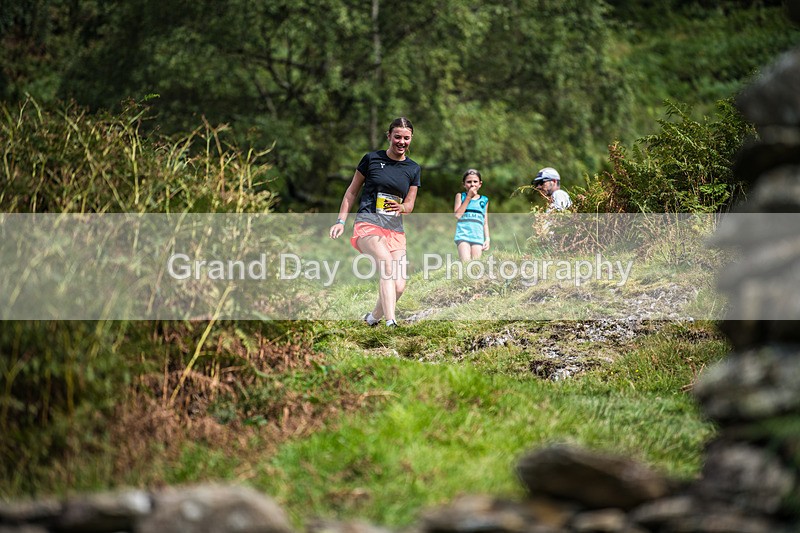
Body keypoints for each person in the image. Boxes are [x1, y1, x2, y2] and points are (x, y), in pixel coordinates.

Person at [329, 117, 421, 328]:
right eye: (397, 137)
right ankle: (391, 322)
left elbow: (410, 204)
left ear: (411, 139)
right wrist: (340, 221)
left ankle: (372, 319)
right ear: (389, 136)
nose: (401, 142)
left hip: (395, 230)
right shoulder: (371, 159)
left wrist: (402, 208)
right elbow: (351, 193)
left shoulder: (413, 168)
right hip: (368, 223)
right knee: (386, 265)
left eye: (406, 138)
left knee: (399, 286)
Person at [453, 168, 490, 261]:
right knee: (466, 263)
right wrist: (468, 197)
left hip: (478, 237)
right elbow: (457, 215)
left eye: (475, 181)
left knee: (475, 265)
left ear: (480, 184)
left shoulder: (484, 200)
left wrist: (487, 239)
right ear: (464, 184)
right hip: (463, 235)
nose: (472, 184)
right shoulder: (460, 196)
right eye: (469, 182)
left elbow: (485, 222)